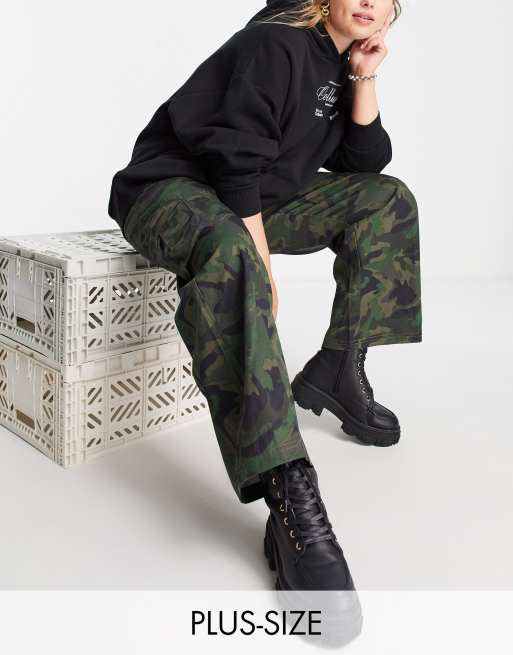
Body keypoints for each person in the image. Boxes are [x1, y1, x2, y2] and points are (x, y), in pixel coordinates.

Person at [107, 0, 421, 602]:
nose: (369, 1)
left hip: (255, 196)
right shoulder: (276, 42)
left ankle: (339, 366)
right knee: (232, 253)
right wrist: (263, 265)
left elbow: (365, 162)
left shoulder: (339, 63)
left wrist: (364, 75)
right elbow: (234, 164)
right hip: (171, 190)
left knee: (386, 199)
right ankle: (286, 486)